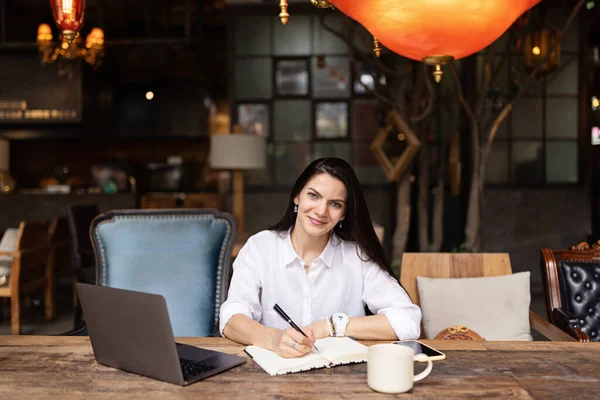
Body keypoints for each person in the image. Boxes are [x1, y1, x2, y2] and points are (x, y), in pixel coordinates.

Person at [219, 157, 421, 358]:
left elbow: (408, 321)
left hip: (340, 377)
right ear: (297, 196)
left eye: (335, 204)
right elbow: (231, 319)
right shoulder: (260, 247)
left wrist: (332, 325)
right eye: (314, 196)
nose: (321, 211)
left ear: (344, 213)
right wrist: (273, 338)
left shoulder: (357, 258)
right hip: (271, 377)